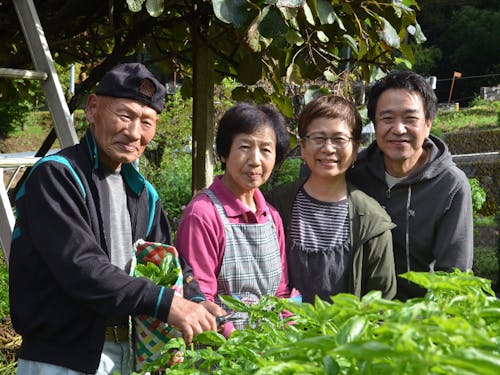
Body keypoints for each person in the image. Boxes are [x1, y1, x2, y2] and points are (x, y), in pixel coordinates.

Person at [9, 62, 224, 375]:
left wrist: (194, 298)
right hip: (62, 359)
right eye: (125, 115)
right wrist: (165, 303)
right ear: (93, 108)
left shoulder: (143, 193)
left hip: (129, 356)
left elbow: (168, 260)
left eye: (147, 121)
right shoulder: (57, 176)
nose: (134, 132)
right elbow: (82, 266)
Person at [347, 70, 474, 301]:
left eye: (410, 119)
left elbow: (454, 275)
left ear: (428, 124)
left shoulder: (450, 185)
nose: (399, 129)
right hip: (356, 314)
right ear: (374, 124)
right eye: (387, 118)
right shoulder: (354, 172)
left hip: (417, 321)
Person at [266, 95, 397, 303]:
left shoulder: (372, 220)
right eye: (318, 138)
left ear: (355, 149)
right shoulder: (276, 205)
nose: (328, 148)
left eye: (339, 139)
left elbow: (381, 304)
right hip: (280, 333)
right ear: (302, 147)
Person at [175, 103, 291, 329]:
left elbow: (281, 292)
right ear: (224, 153)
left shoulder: (271, 217)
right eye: (245, 146)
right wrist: (240, 345)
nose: (255, 160)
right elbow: (199, 299)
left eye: (266, 149)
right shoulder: (203, 214)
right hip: (220, 353)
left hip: (268, 352)